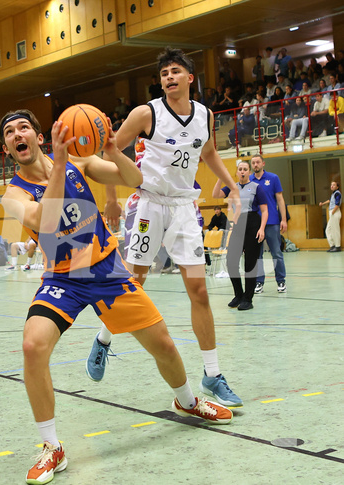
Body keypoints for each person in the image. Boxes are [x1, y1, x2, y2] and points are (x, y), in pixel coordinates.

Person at [0, 108, 232, 485]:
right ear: (8, 148)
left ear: (39, 137)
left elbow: (135, 179)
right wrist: (58, 165)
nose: (17, 134)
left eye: (24, 127)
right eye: (9, 132)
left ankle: (187, 402)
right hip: (63, 279)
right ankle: (51, 446)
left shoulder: (79, 162)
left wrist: (112, 148)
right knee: (32, 346)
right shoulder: (12, 194)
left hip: (108, 271)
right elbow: (47, 221)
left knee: (165, 346)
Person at [91, 47, 243, 408]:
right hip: (148, 203)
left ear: (190, 78)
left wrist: (232, 185)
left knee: (200, 292)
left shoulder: (205, 115)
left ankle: (212, 375)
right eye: (164, 74)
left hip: (183, 208)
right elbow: (110, 149)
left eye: (175, 72)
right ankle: (103, 340)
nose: (169, 78)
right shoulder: (147, 113)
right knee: (135, 283)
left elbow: (208, 153)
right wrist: (111, 198)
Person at [213, 160, 268, 311]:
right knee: (231, 261)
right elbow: (215, 194)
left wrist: (262, 228)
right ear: (237, 173)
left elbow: (264, 211)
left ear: (249, 172)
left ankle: (248, 299)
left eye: (245, 169)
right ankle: (238, 294)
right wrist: (221, 177)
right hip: (237, 224)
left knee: (250, 264)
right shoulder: (232, 188)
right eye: (240, 169)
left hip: (253, 223)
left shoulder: (257, 188)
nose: (242, 172)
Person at [250, 155, 288, 294]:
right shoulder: (248, 180)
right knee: (257, 255)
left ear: (263, 164)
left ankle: (281, 281)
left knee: (276, 253)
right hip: (255, 223)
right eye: (253, 163)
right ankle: (259, 282)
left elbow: (280, 199)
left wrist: (283, 219)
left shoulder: (273, 178)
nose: (255, 165)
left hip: (272, 222)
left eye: (258, 162)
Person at [319, 180, 341, 252]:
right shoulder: (333, 194)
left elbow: (337, 204)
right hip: (332, 212)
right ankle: (332, 245)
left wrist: (333, 212)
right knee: (328, 230)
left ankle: (337, 246)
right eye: (331, 184)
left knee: (335, 230)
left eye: (334, 185)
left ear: (337, 187)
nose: (332, 186)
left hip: (334, 212)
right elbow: (329, 200)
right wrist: (323, 203)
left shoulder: (337, 193)